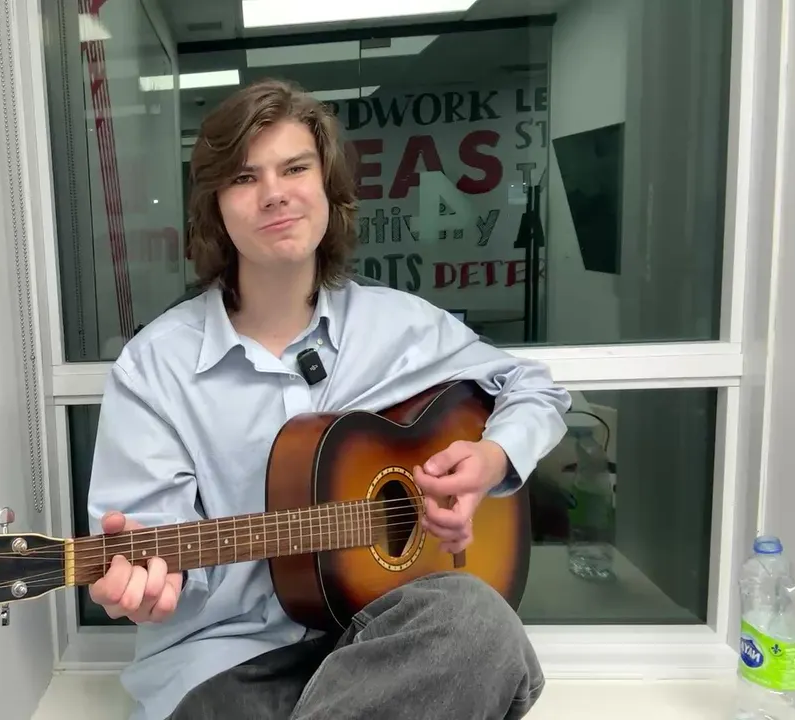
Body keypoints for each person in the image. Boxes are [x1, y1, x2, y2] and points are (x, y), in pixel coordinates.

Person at [85, 78, 571, 720]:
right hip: (227, 663)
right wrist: (148, 585)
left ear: (327, 185)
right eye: (245, 177)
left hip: (383, 643)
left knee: (478, 621)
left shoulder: (399, 326)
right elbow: (152, 551)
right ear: (215, 207)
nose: (275, 193)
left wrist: (493, 458)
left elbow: (535, 388)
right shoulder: (154, 368)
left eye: (295, 168)